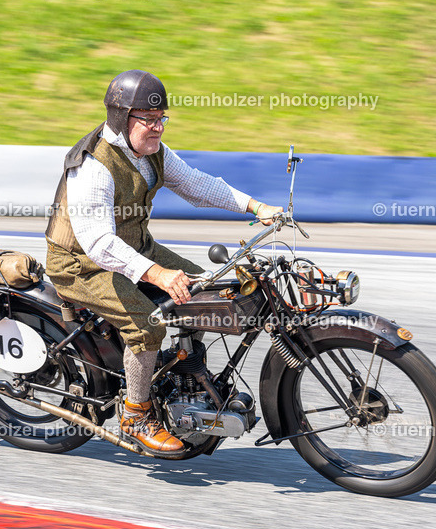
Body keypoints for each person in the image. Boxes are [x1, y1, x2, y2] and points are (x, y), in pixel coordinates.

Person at [45, 70, 282, 455]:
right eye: (149, 119)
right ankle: (136, 414)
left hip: (136, 248)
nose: (158, 127)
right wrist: (157, 273)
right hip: (81, 264)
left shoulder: (151, 152)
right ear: (122, 118)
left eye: (162, 119)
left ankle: (181, 371)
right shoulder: (93, 166)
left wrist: (256, 207)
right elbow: (99, 243)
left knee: (207, 291)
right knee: (147, 326)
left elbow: (197, 185)